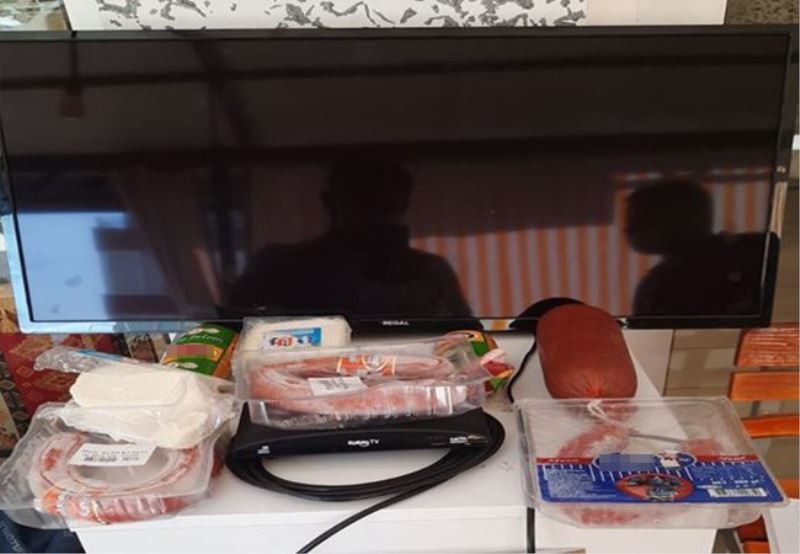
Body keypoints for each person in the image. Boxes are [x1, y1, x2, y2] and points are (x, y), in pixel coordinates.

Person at [227, 162, 472, 318]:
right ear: (330, 203)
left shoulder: (431, 271)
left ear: (403, 207)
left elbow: (468, 337)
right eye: (359, 204)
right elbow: (232, 327)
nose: (371, 217)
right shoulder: (278, 263)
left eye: (384, 206)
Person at [626, 181, 765, 316]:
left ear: (678, 218)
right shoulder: (659, 280)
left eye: (639, 221)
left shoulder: (748, 258)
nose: (628, 231)